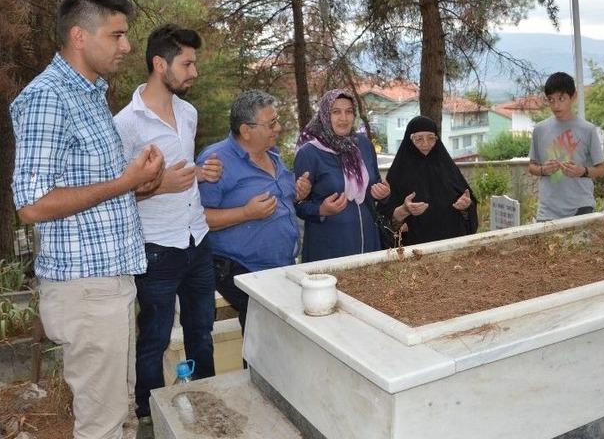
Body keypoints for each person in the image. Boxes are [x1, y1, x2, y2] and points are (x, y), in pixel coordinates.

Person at [10, 0, 164, 439]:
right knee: (102, 425)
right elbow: (31, 205)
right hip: (86, 291)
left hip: (107, 283)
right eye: (116, 35)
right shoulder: (49, 98)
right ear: (79, 36)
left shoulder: (91, 95)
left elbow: (88, 193)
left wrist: (139, 186)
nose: (128, 46)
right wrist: (124, 182)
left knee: (120, 415)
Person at [113, 24, 220, 428]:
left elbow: (182, 173)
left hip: (198, 237)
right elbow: (116, 190)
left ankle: (208, 405)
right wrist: (157, 187)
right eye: (187, 63)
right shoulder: (126, 124)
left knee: (202, 330)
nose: (194, 71)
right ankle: (150, 416)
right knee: (154, 339)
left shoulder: (188, 113)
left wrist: (200, 175)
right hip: (156, 247)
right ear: (160, 64)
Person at [197, 90, 311, 332]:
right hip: (241, 268)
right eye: (271, 123)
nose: (278, 128)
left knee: (277, 338)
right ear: (246, 130)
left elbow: (283, 198)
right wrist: (246, 213)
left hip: (280, 266)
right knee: (261, 337)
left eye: (276, 120)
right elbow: (198, 218)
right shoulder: (215, 161)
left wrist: (298, 192)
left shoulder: (273, 155)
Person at [294, 89, 390, 262]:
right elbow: (297, 204)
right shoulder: (309, 153)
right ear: (324, 114)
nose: (343, 118)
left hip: (367, 238)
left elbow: (375, 183)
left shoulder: (363, 145)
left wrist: (382, 193)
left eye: (349, 111)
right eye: (336, 112)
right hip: (329, 245)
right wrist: (321, 210)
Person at [380, 116, 478, 245]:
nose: (426, 144)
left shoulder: (447, 167)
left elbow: (468, 204)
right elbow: (386, 219)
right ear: (409, 140)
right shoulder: (399, 173)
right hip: (415, 249)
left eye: (431, 138)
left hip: (452, 244)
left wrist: (465, 207)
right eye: (419, 139)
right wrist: (404, 210)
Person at [528, 72, 604, 220]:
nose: (556, 105)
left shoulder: (588, 129)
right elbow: (532, 166)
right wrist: (543, 170)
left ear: (573, 96)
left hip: (581, 206)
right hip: (547, 209)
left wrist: (582, 171)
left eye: (561, 99)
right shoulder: (540, 129)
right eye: (551, 100)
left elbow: (602, 168)